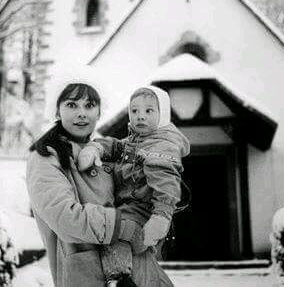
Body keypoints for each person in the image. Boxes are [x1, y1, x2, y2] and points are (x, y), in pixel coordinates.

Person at [26, 80, 174, 287]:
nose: (81, 113)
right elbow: (64, 216)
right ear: (57, 111)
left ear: (99, 112)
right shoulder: (46, 156)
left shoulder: (107, 150)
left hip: (140, 270)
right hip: (88, 273)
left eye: (89, 105)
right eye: (71, 105)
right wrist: (123, 227)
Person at [77, 85, 190, 284]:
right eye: (134, 110)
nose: (140, 116)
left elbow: (166, 182)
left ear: (162, 114)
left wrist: (161, 216)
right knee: (144, 267)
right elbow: (114, 145)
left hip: (145, 212)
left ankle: (119, 278)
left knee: (115, 232)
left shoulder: (162, 145)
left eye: (149, 111)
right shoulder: (133, 142)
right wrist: (94, 148)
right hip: (128, 207)